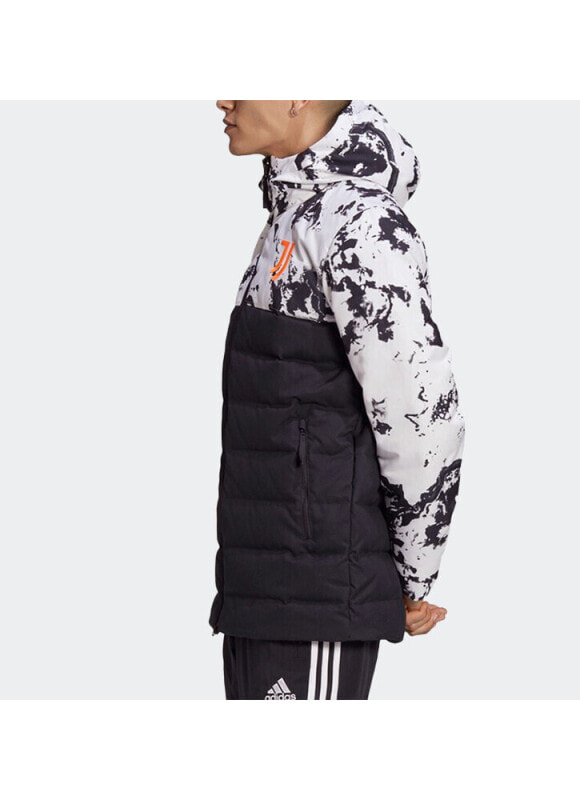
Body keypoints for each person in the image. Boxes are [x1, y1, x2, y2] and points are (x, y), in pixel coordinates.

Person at [210, 100, 466, 700]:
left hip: (316, 592)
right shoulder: (294, 217)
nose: (224, 98)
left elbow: (420, 413)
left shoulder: (359, 226)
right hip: (263, 588)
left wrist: (412, 574)